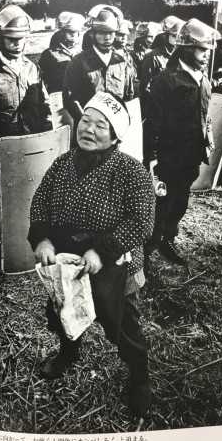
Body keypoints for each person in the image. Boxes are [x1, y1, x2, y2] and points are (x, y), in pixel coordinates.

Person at [28, 92, 155, 417]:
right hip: (68, 262)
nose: (89, 129)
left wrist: (102, 250)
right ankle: (68, 353)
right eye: (86, 120)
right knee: (63, 312)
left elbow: (142, 222)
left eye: (101, 125)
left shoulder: (132, 172)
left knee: (122, 327)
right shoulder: (62, 163)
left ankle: (139, 377)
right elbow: (41, 199)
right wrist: (42, 238)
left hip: (115, 264)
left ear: (115, 135)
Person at [0, 5, 52, 238]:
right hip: (3, 148)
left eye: (21, 38)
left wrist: (46, 139)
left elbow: (45, 107)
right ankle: (2, 242)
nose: (17, 43)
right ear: (1, 38)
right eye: (11, 39)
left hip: (31, 145)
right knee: (3, 197)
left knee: (33, 191)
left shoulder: (32, 69)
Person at [145, 18, 218, 265]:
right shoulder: (166, 81)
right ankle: (148, 246)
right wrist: (153, 157)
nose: (206, 55)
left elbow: (204, 114)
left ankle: (168, 238)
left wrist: (208, 138)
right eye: (202, 49)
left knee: (180, 201)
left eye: (208, 50)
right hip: (168, 157)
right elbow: (153, 123)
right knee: (161, 201)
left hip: (191, 155)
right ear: (187, 48)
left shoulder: (202, 77)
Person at [63, 8, 134, 126]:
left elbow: (128, 96)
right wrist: (88, 121)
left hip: (115, 128)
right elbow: (70, 99)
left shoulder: (122, 62)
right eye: (102, 32)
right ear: (93, 34)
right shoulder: (78, 62)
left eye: (111, 32)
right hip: (88, 129)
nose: (107, 37)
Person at [139, 15, 185, 167]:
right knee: (150, 150)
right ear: (167, 36)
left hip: (175, 111)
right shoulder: (152, 56)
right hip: (155, 109)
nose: (177, 39)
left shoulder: (183, 57)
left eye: (180, 36)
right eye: (174, 36)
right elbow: (144, 86)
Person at [39, 12, 85, 93]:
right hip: (57, 94)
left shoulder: (82, 53)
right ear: (63, 32)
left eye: (76, 32)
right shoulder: (49, 54)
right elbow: (42, 80)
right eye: (70, 32)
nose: (73, 35)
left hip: (78, 95)